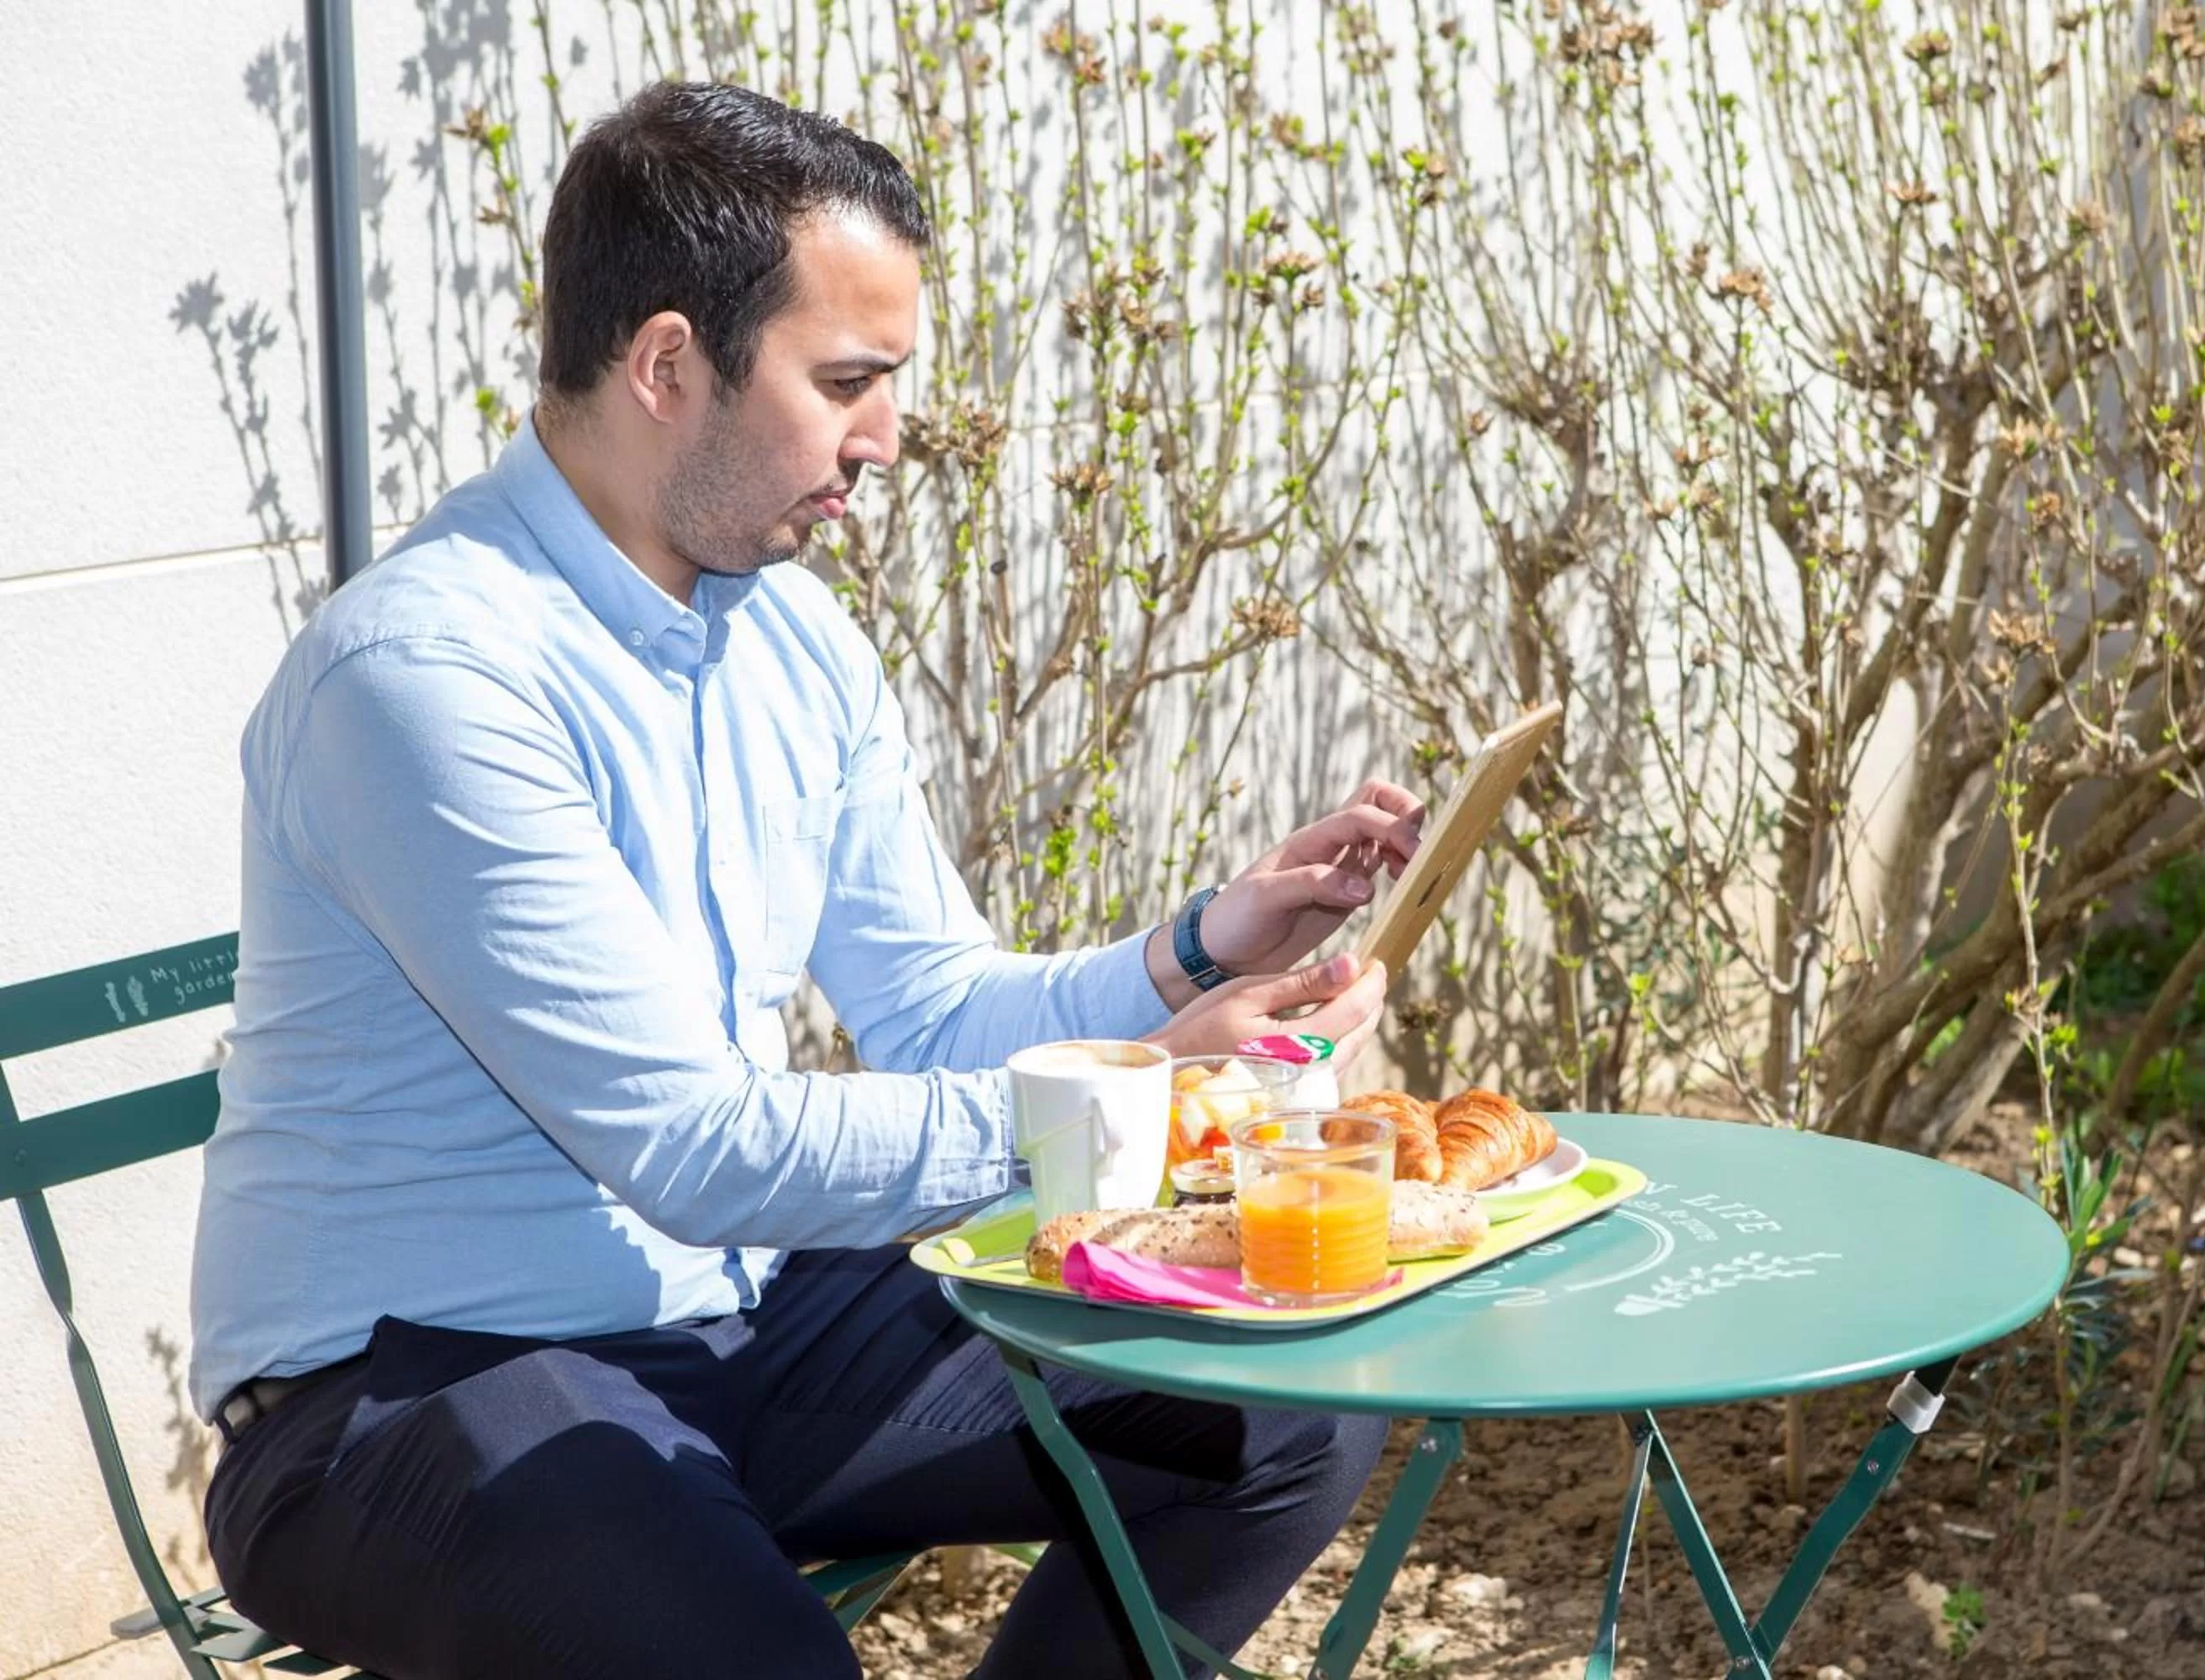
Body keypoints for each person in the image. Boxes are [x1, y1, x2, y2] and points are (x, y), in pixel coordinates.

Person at [189, 78, 1419, 1680]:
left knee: (1280, 1402)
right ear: (668, 364)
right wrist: (1145, 1097)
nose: (886, 439)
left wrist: (1194, 960)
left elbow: (932, 1006)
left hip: (733, 1335)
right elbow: (693, 1144)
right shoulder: (426, 677)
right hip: (411, 1395)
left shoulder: (790, 640)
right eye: (847, 381)